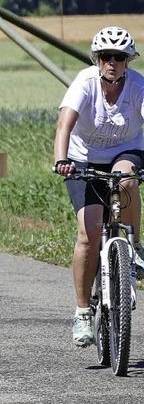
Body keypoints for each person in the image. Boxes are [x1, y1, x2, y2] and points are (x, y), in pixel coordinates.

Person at [53, 26, 144, 348]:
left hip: (125, 152)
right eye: (106, 57)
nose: (112, 63)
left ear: (127, 60)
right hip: (82, 159)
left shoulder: (137, 85)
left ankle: (132, 248)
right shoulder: (85, 81)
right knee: (88, 234)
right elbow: (65, 122)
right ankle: (81, 311)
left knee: (127, 178)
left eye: (119, 58)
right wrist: (60, 158)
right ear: (97, 59)